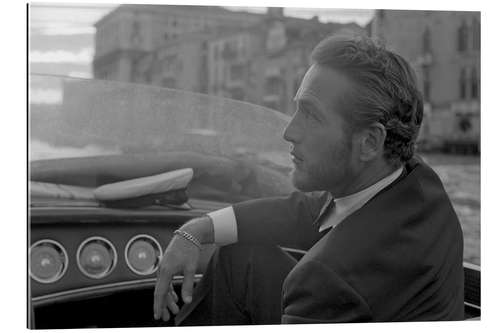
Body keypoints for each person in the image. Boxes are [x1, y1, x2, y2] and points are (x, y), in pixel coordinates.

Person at [153, 34, 464, 324]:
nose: (289, 132)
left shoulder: (326, 279)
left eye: (311, 115)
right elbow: (310, 211)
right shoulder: (417, 180)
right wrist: (198, 229)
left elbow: (326, 267)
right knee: (240, 257)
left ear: (370, 142)